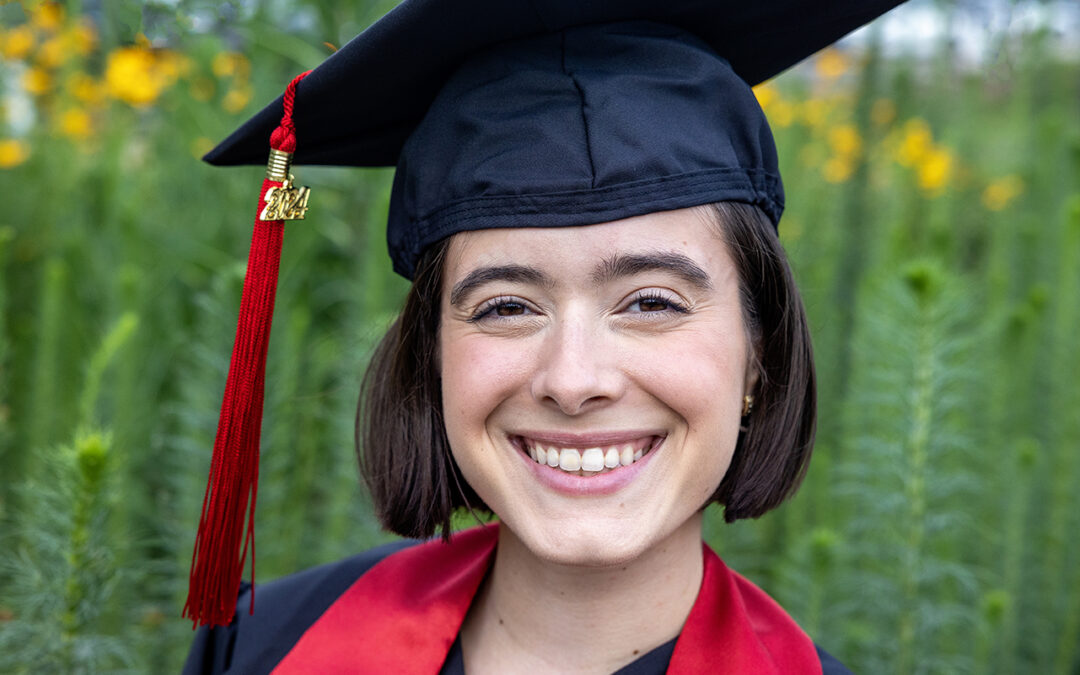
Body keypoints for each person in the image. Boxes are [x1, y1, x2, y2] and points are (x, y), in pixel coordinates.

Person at [182, 1, 908, 672]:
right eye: (505, 307)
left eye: (651, 301)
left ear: (759, 354)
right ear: (431, 356)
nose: (572, 377)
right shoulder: (268, 649)